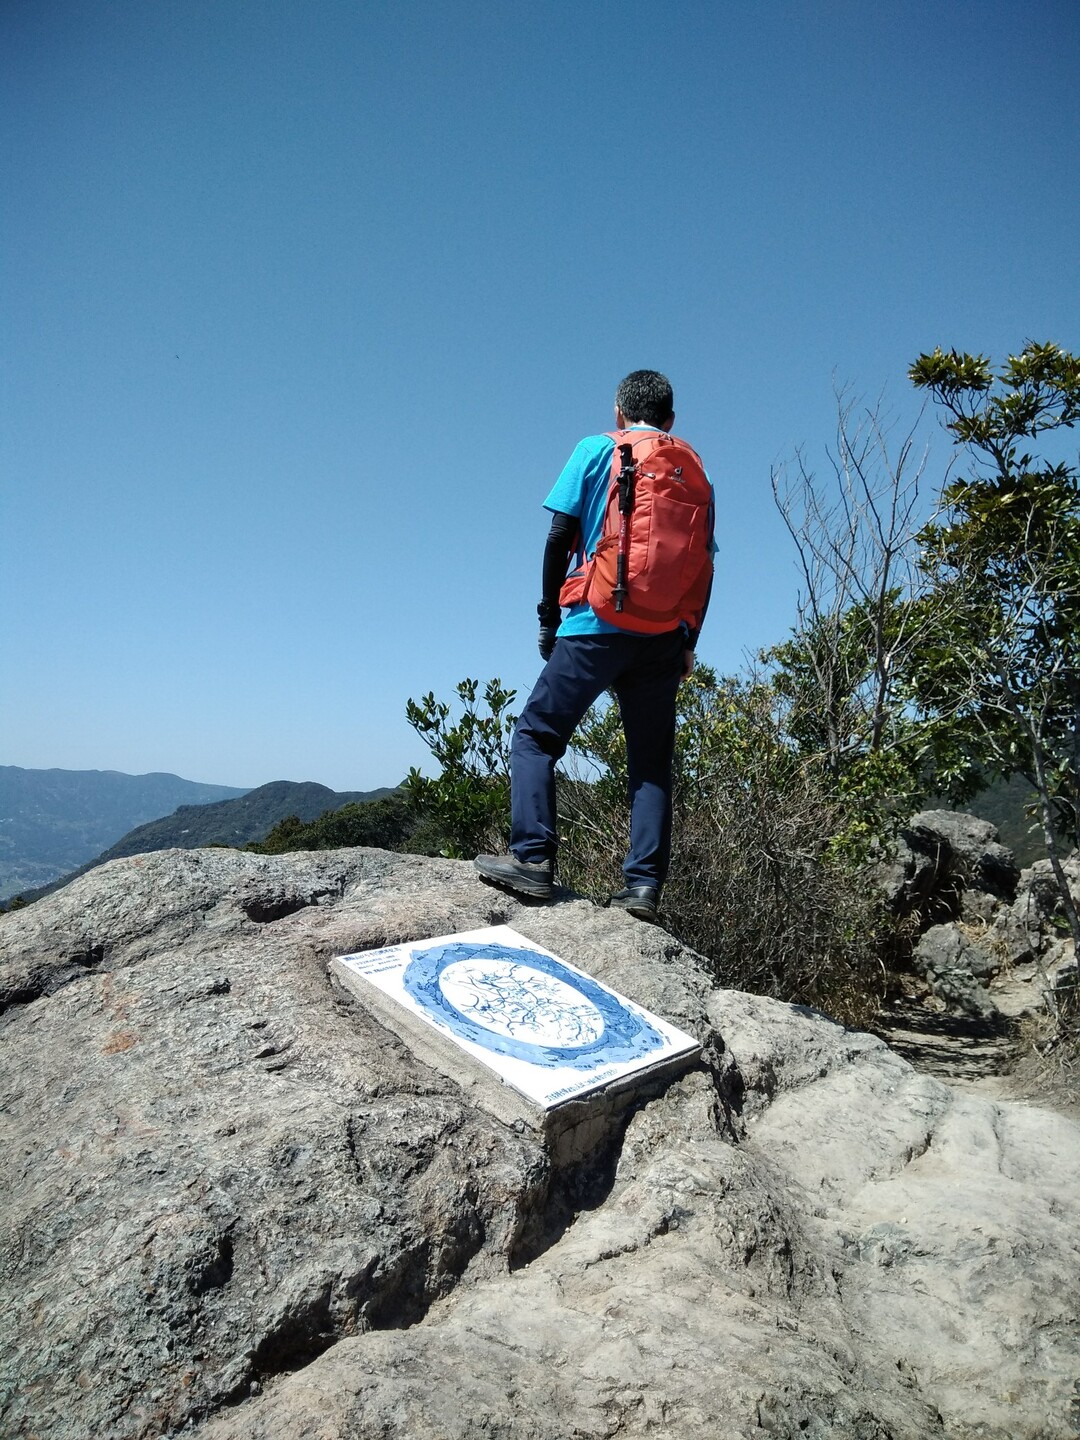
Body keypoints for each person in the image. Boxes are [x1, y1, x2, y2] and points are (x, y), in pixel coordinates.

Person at [474, 370, 714, 922]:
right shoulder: (693, 469)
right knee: (650, 764)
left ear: (618, 412)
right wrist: (688, 640)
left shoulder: (596, 449)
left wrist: (547, 617)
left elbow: (560, 535)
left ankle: (533, 862)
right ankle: (643, 890)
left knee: (536, 735)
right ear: (671, 420)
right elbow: (705, 563)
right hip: (662, 635)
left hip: (594, 622)